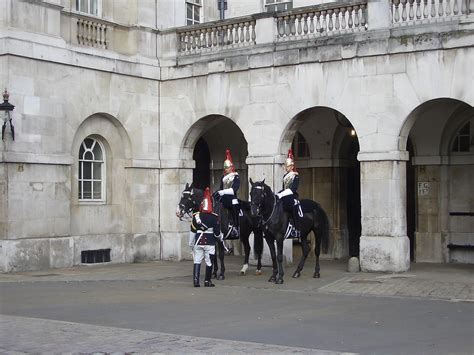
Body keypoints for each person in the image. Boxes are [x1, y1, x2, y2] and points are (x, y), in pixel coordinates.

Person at [189, 187, 223, 287]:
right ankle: (207, 281)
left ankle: (196, 281)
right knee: (209, 262)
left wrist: (191, 245)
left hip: (198, 242)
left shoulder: (196, 216)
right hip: (210, 243)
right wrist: (220, 238)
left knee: (197, 260)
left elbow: (192, 232)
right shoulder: (214, 217)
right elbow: (217, 233)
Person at [213, 149, 240, 239]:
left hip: (232, 197)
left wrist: (223, 192)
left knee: (234, 207)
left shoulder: (235, 177)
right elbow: (221, 188)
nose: (226, 169)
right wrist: (218, 193)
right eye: (225, 168)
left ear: (231, 167)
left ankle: (236, 227)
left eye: (228, 167)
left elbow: (234, 189)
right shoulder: (223, 177)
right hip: (224, 197)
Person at [276, 148, 303, 238]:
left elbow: (292, 189)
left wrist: (281, 194)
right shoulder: (285, 176)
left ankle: (296, 228)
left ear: (291, 166)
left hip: (292, 196)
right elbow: (284, 187)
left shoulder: (295, 176)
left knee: (292, 206)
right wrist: (279, 194)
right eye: (285, 166)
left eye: (287, 166)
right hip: (284, 195)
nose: (286, 168)